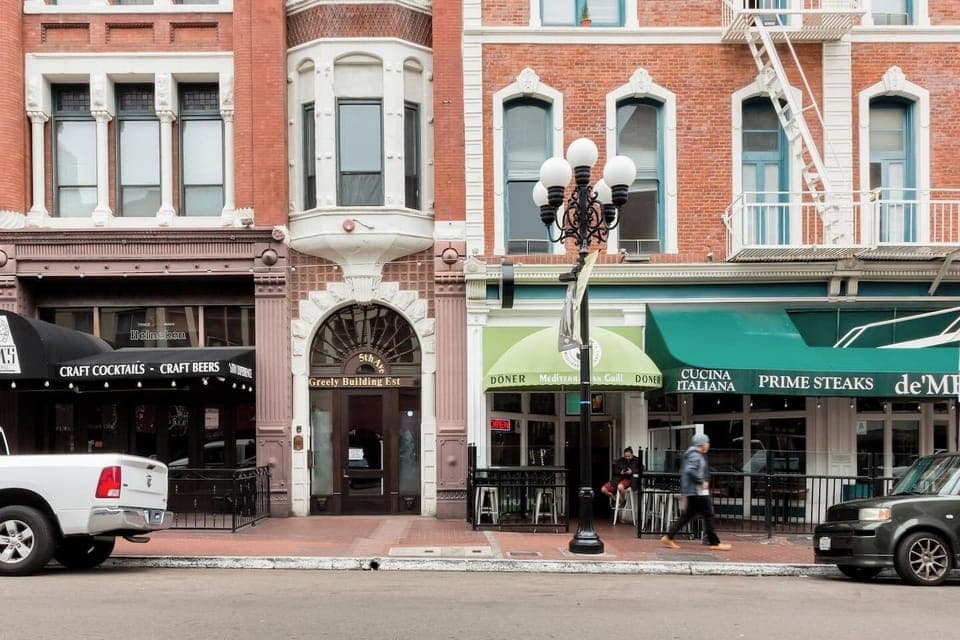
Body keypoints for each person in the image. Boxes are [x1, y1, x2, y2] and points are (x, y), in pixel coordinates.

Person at [661, 434, 732, 551]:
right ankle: (714, 542)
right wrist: (701, 482)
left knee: (688, 515)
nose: (708, 445)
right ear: (702, 444)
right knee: (708, 514)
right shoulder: (695, 455)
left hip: (695, 491)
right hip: (697, 491)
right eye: (707, 442)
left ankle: (669, 537)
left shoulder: (697, 454)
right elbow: (690, 470)